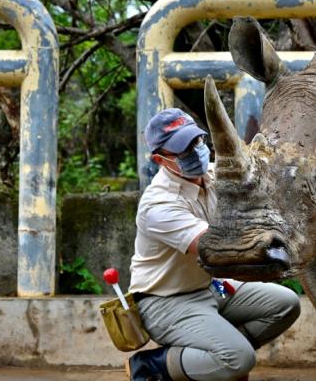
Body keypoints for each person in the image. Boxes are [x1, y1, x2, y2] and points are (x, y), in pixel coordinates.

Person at [126, 108, 301, 381]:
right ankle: (154, 365)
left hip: (210, 288)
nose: (195, 151)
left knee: (286, 304)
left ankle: (217, 358)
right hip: (166, 301)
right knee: (240, 360)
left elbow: (260, 187)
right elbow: (214, 247)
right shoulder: (157, 205)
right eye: (182, 149)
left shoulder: (212, 175)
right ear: (161, 159)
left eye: (196, 141)